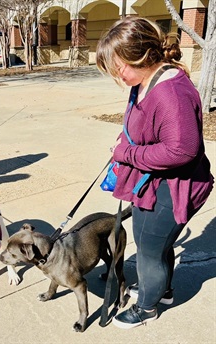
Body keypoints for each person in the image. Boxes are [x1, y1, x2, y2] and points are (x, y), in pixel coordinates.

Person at [96, 17, 213, 329]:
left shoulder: (170, 92)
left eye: (118, 66)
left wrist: (127, 153)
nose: (117, 75)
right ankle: (162, 291)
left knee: (148, 249)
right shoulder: (146, 80)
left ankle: (146, 307)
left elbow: (182, 150)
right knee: (153, 244)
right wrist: (125, 143)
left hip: (176, 186)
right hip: (153, 181)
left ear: (141, 56)